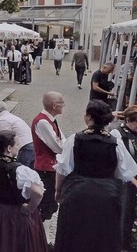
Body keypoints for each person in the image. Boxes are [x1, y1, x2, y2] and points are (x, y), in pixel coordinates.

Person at [54, 100, 137, 252]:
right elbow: (125, 173)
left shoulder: (74, 139)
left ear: (89, 117)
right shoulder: (115, 142)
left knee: (74, 234)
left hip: (77, 192)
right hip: (106, 195)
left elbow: (63, 169)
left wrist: (58, 191)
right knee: (102, 236)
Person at [0, 130, 48, 252]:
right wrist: (30, 208)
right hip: (15, 216)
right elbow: (39, 193)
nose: (18, 147)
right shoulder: (19, 170)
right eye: (17, 144)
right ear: (9, 148)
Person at [31, 91, 66, 237]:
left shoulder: (50, 120)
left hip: (50, 166)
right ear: (54, 105)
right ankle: (38, 235)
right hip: (46, 166)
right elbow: (57, 146)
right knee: (47, 204)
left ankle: (41, 235)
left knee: (50, 205)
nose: (64, 105)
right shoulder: (43, 121)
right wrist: (66, 146)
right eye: (62, 103)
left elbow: (62, 139)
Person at [110, 105, 137, 251]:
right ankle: (119, 243)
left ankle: (127, 241)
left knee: (130, 212)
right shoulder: (118, 133)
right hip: (124, 178)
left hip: (134, 177)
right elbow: (119, 161)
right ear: (128, 121)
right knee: (124, 210)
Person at [0, 101, 35, 168]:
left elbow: (4, 137)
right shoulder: (11, 117)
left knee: (23, 170)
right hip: (30, 143)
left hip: (24, 146)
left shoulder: (3, 120)